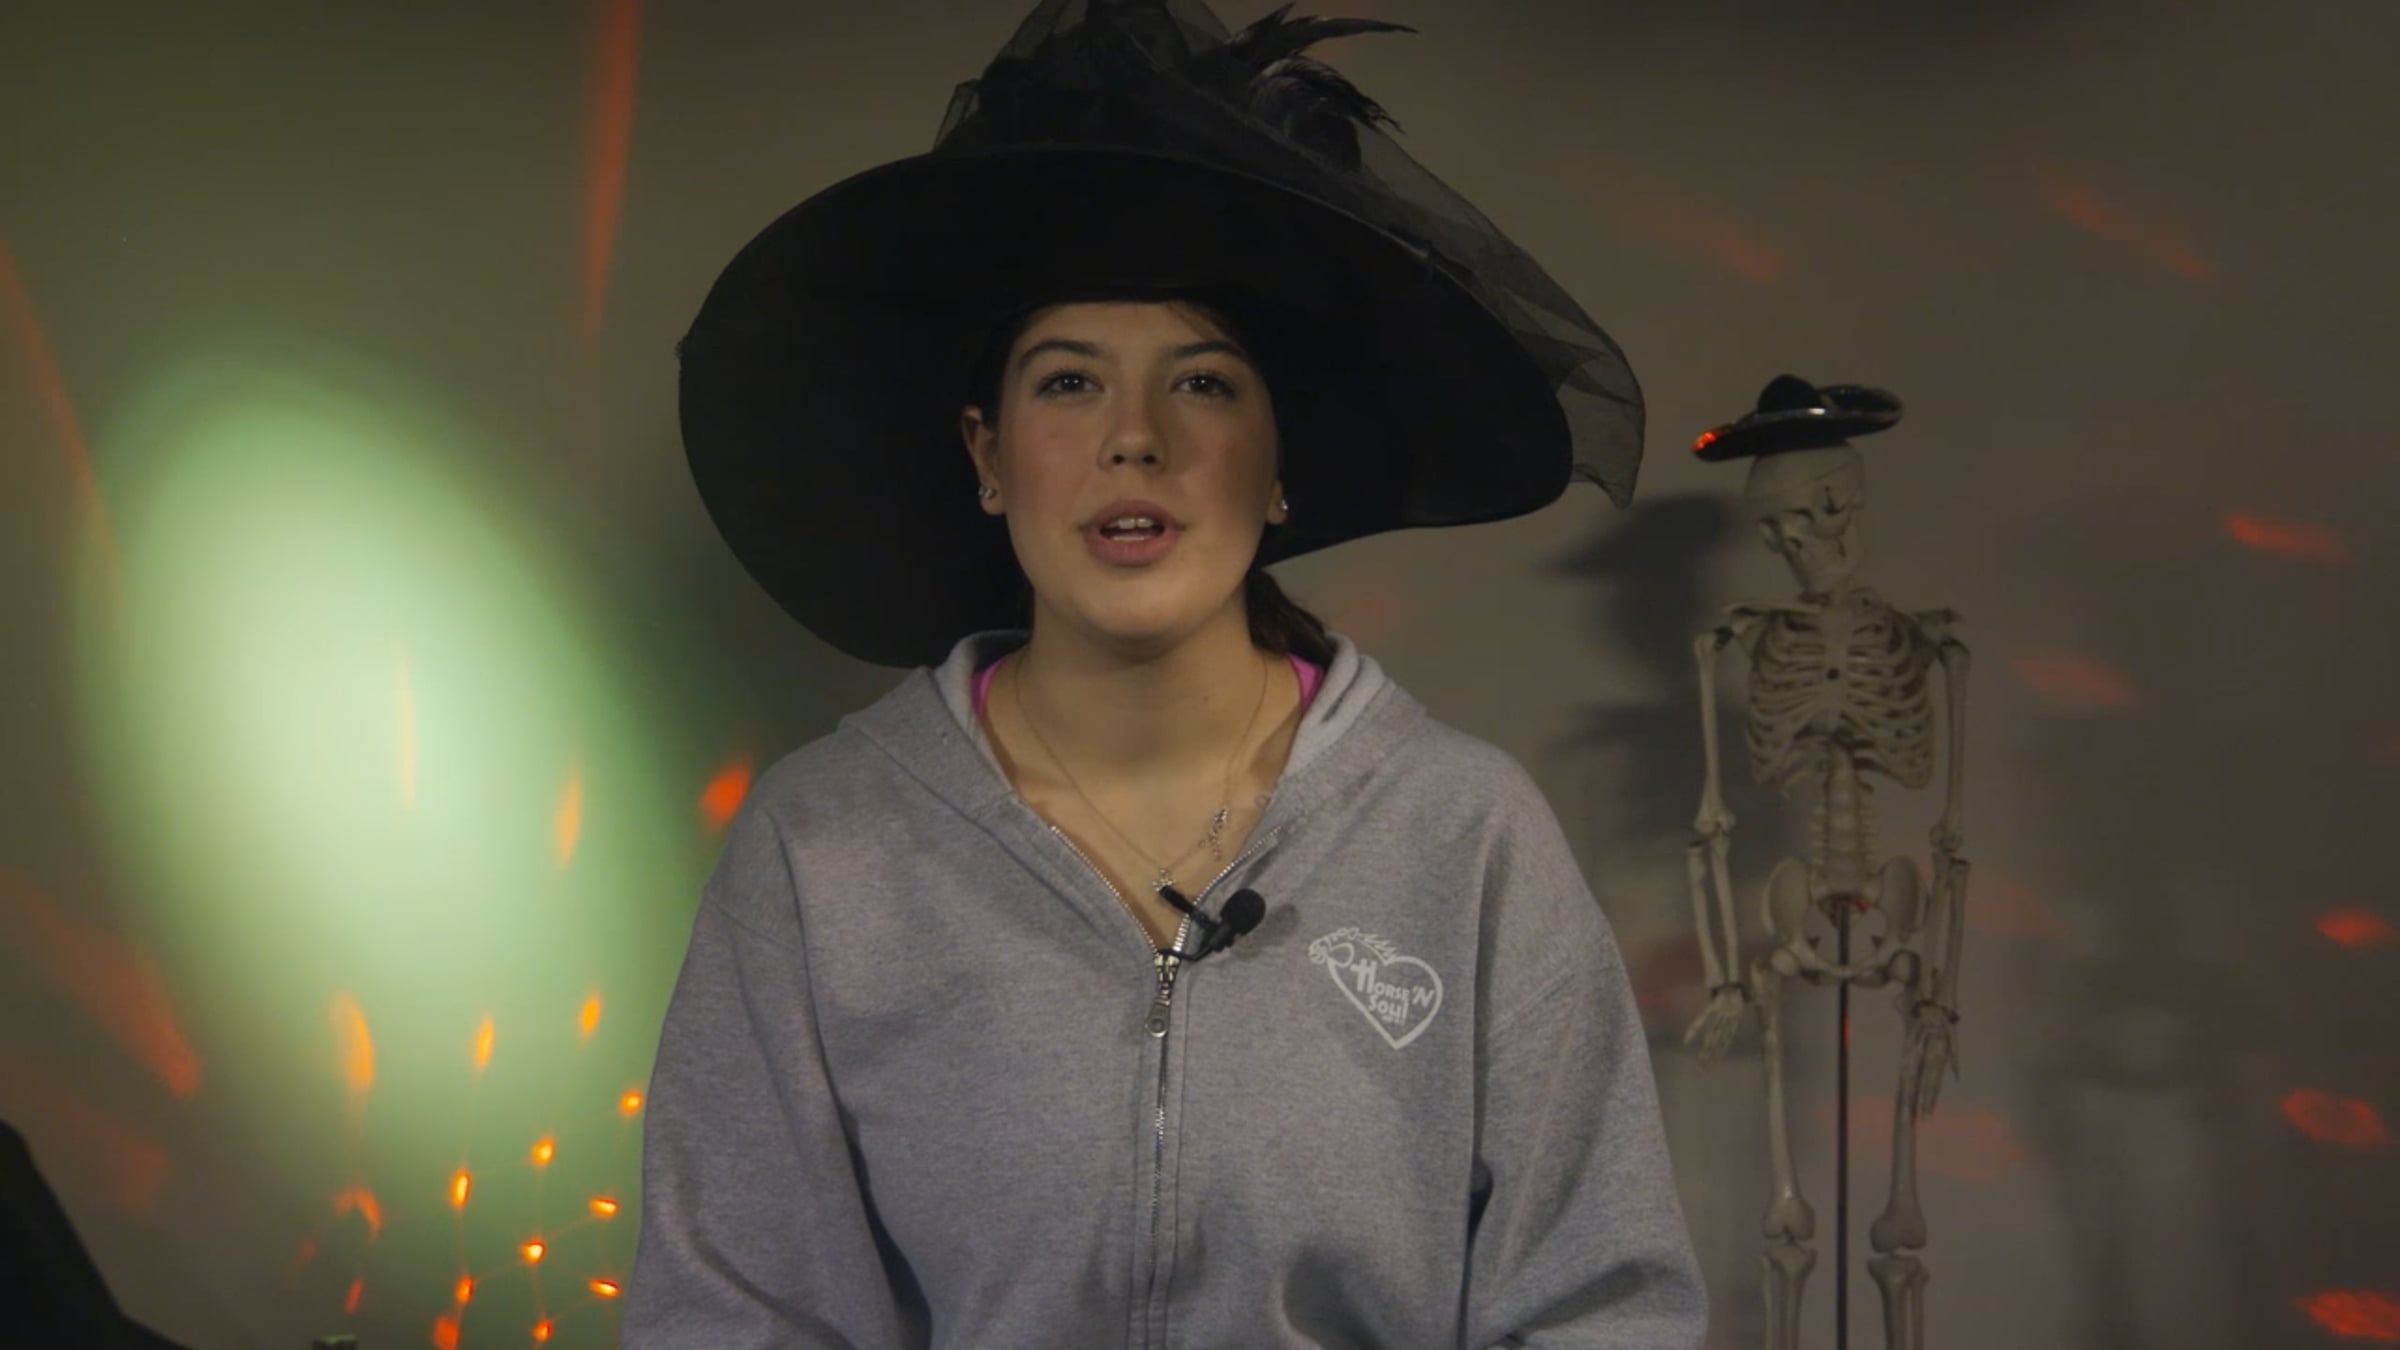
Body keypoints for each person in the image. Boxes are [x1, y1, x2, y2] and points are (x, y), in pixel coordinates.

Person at [627, 2, 1706, 1346]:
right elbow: (733, 1312)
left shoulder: (1464, 836)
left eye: (1203, 384)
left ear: (1279, 461)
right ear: (986, 454)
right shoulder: (820, 851)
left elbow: (1604, 1305)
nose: (1134, 438)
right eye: (1067, 384)